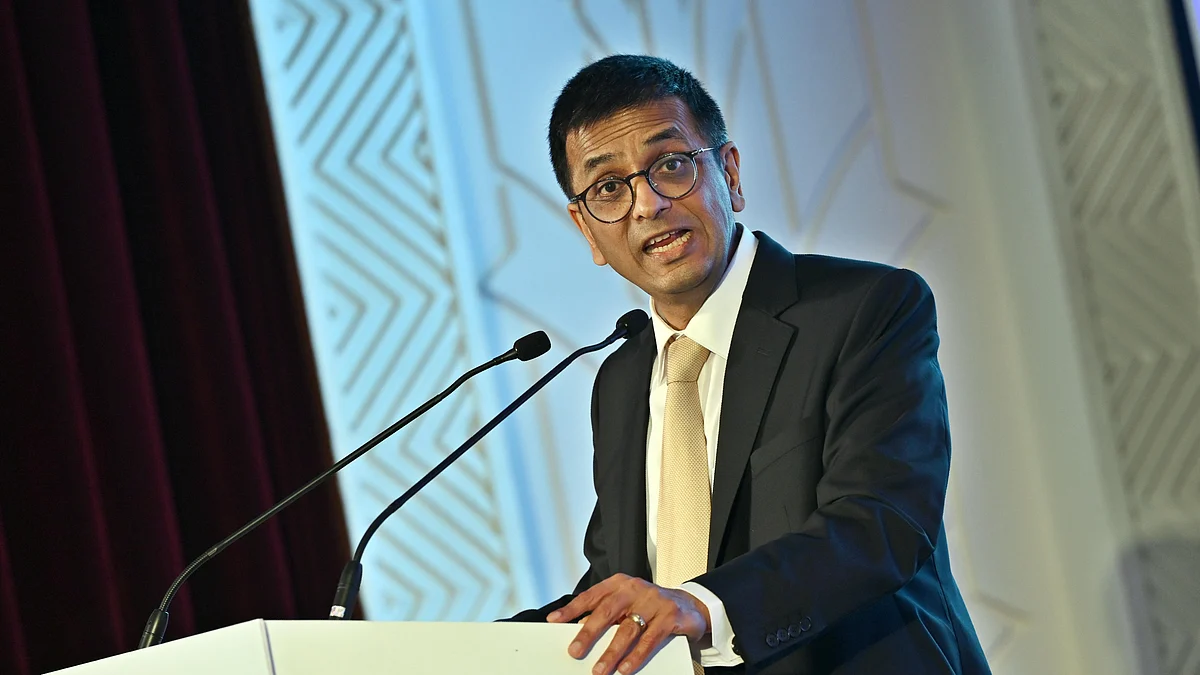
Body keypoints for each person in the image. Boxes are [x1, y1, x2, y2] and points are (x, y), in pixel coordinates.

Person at [507, 55, 991, 675]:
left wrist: (700, 607)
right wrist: (471, 652)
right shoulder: (622, 380)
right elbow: (627, 585)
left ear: (730, 174)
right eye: (608, 188)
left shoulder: (865, 310)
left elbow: (880, 524)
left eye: (671, 165)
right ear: (587, 230)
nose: (648, 204)